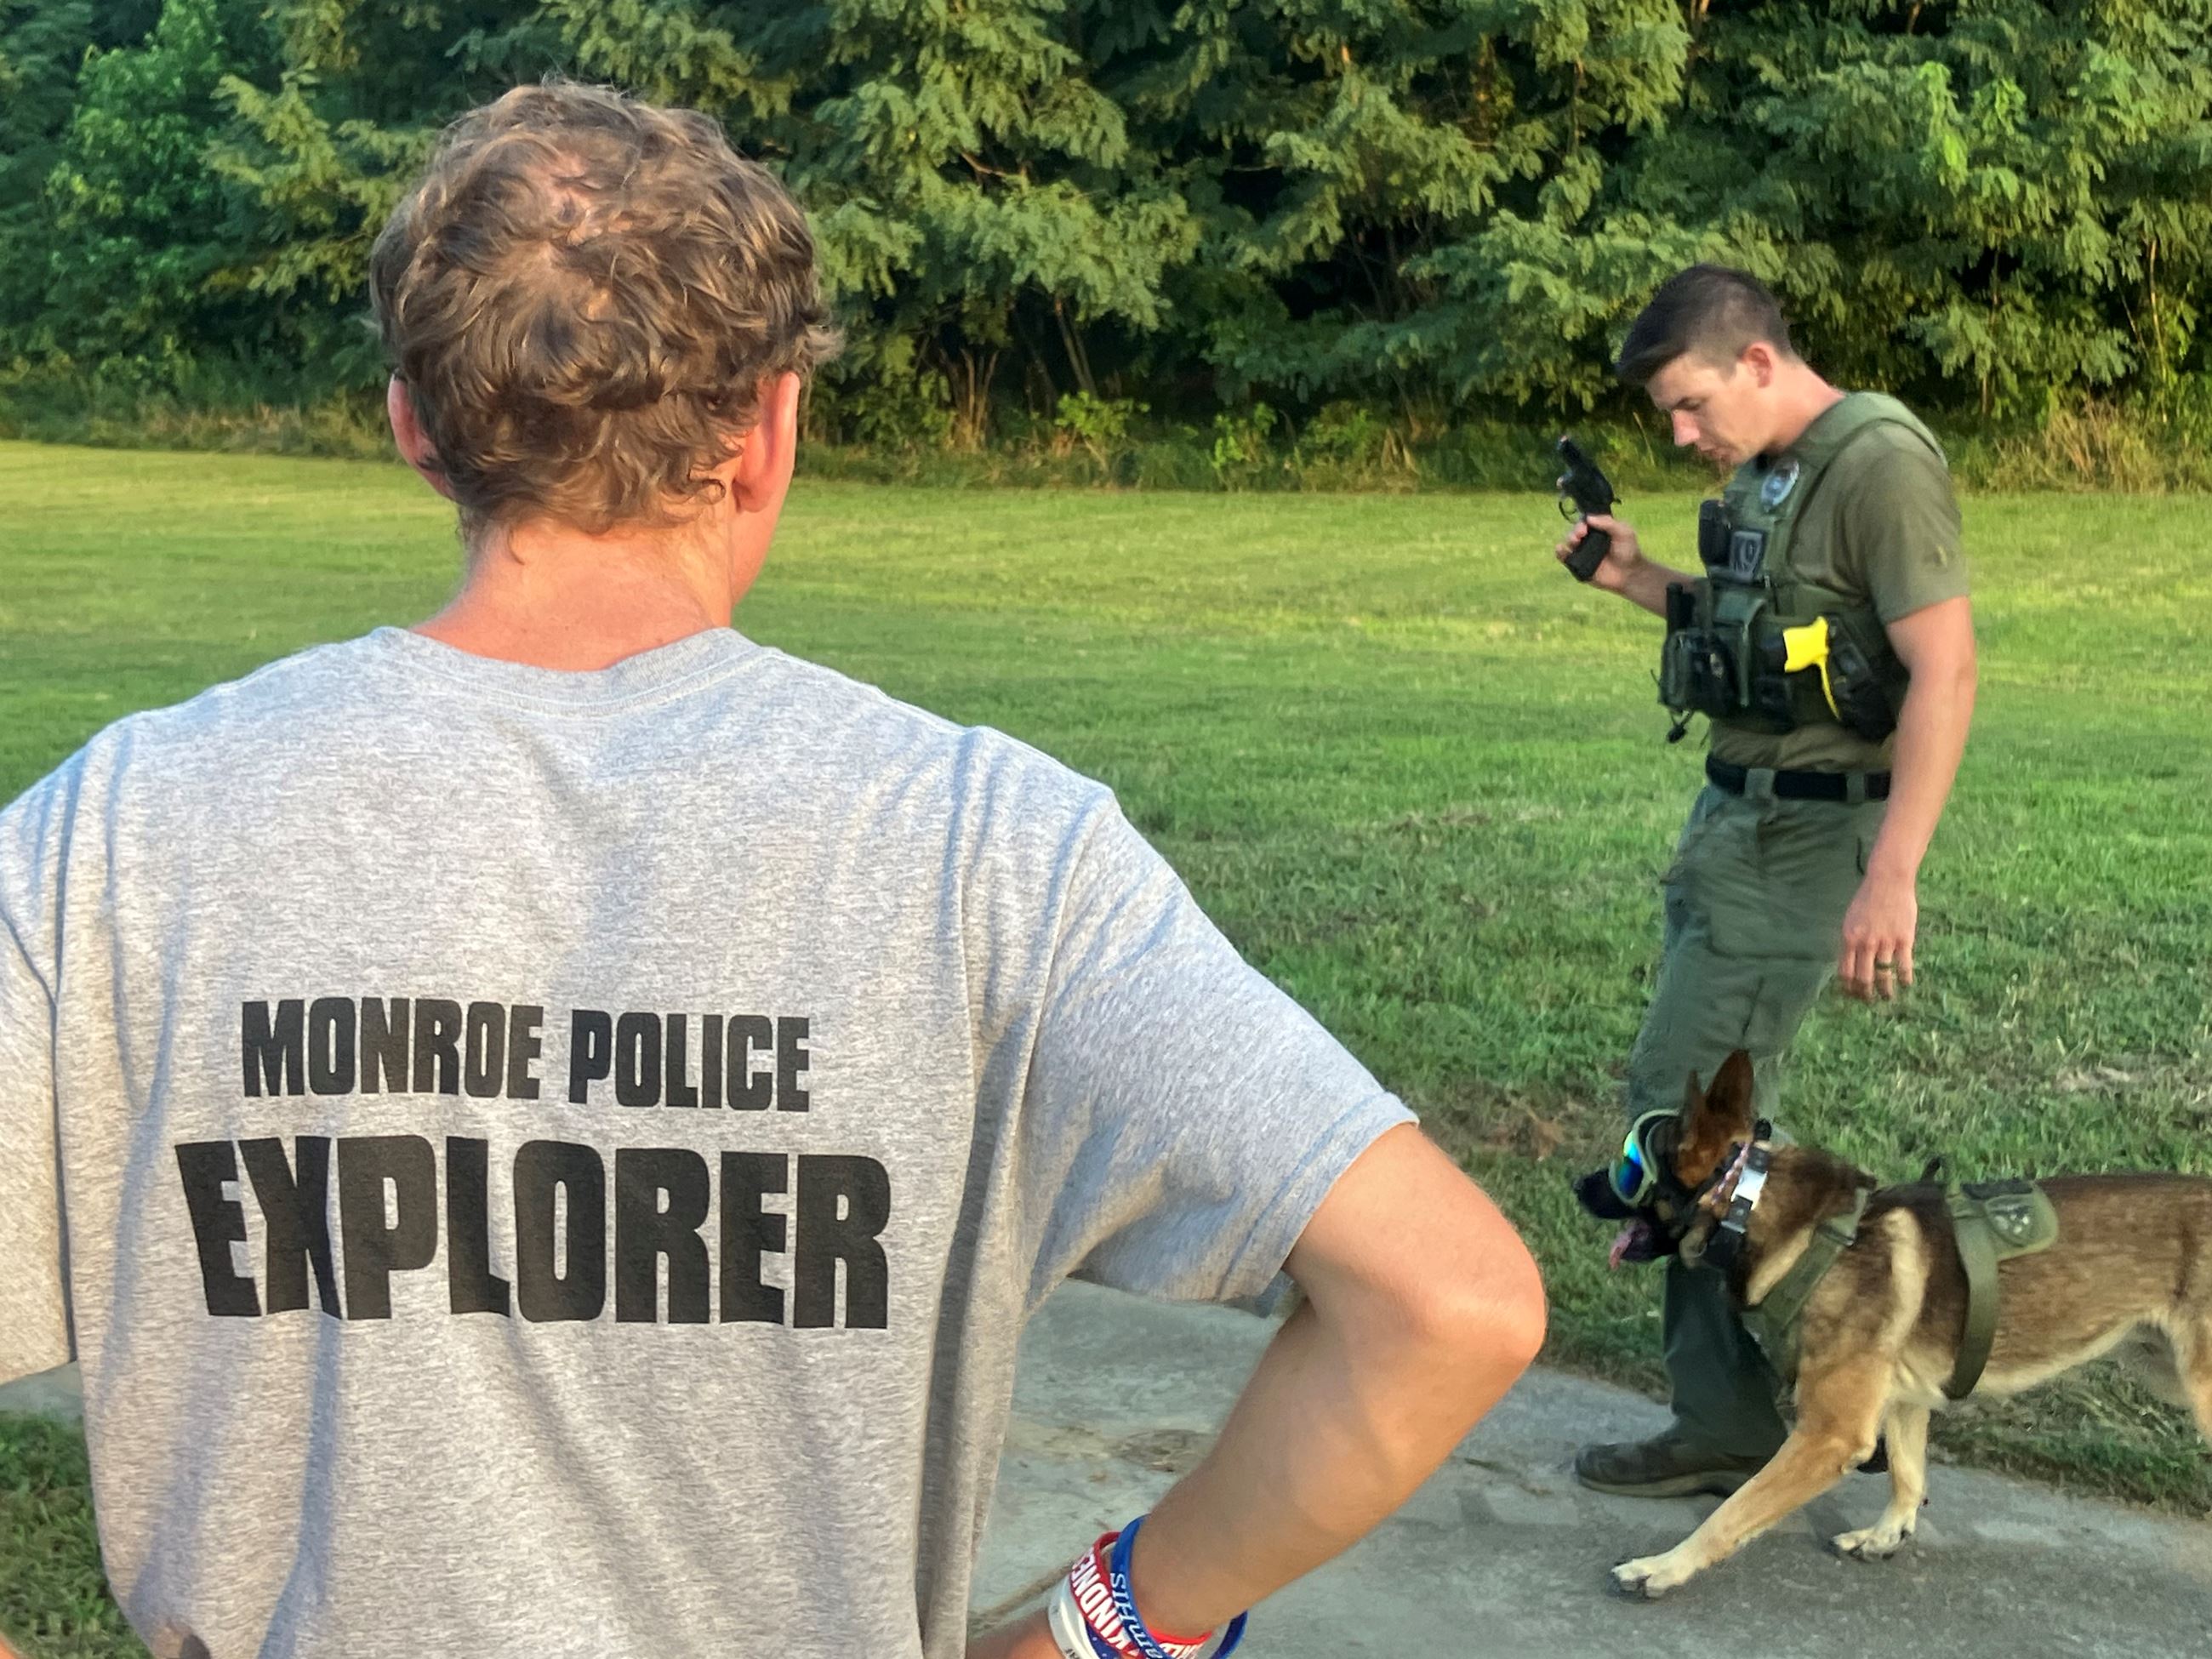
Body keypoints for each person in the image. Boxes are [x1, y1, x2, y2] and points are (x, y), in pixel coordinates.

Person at [0, 81, 1546, 1659]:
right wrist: (1103, 1630)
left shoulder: (122, 825)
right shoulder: (990, 846)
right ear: (767, 427)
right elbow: (1450, 1304)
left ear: (415, 428)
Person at [1556, 265, 1976, 1497]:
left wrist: (1892, 871)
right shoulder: (1772, 472)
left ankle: (1730, 1419)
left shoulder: (1881, 462)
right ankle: (1812, 1383)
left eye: (1690, 405)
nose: (1683, 435)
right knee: (1718, 1134)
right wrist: (1635, 577)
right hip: (1730, 826)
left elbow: (1942, 669)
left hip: (1804, 845)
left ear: (1755, 361)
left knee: (1680, 1130)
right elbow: (1768, 636)